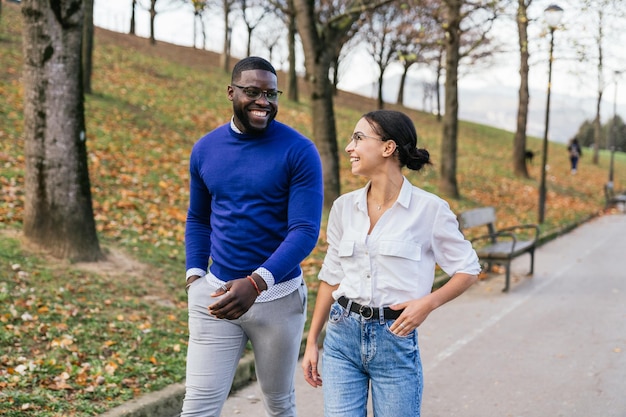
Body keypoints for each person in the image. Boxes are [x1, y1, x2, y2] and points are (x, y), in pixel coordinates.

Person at [301, 110, 481, 417]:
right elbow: (332, 277)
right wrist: (312, 341)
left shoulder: (430, 210)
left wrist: (427, 303)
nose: (349, 147)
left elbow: (468, 269)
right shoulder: (344, 207)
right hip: (341, 336)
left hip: (394, 340)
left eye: (358, 138)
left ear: (388, 148)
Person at [182, 56, 324, 417]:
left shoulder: (299, 150)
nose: (263, 101)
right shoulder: (206, 149)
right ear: (231, 92)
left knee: (277, 404)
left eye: (271, 93)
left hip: (278, 297)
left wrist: (257, 282)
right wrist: (195, 277)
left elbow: (305, 231)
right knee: (198, 405)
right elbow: (198, 218)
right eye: (252, 92)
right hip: (217, 296)